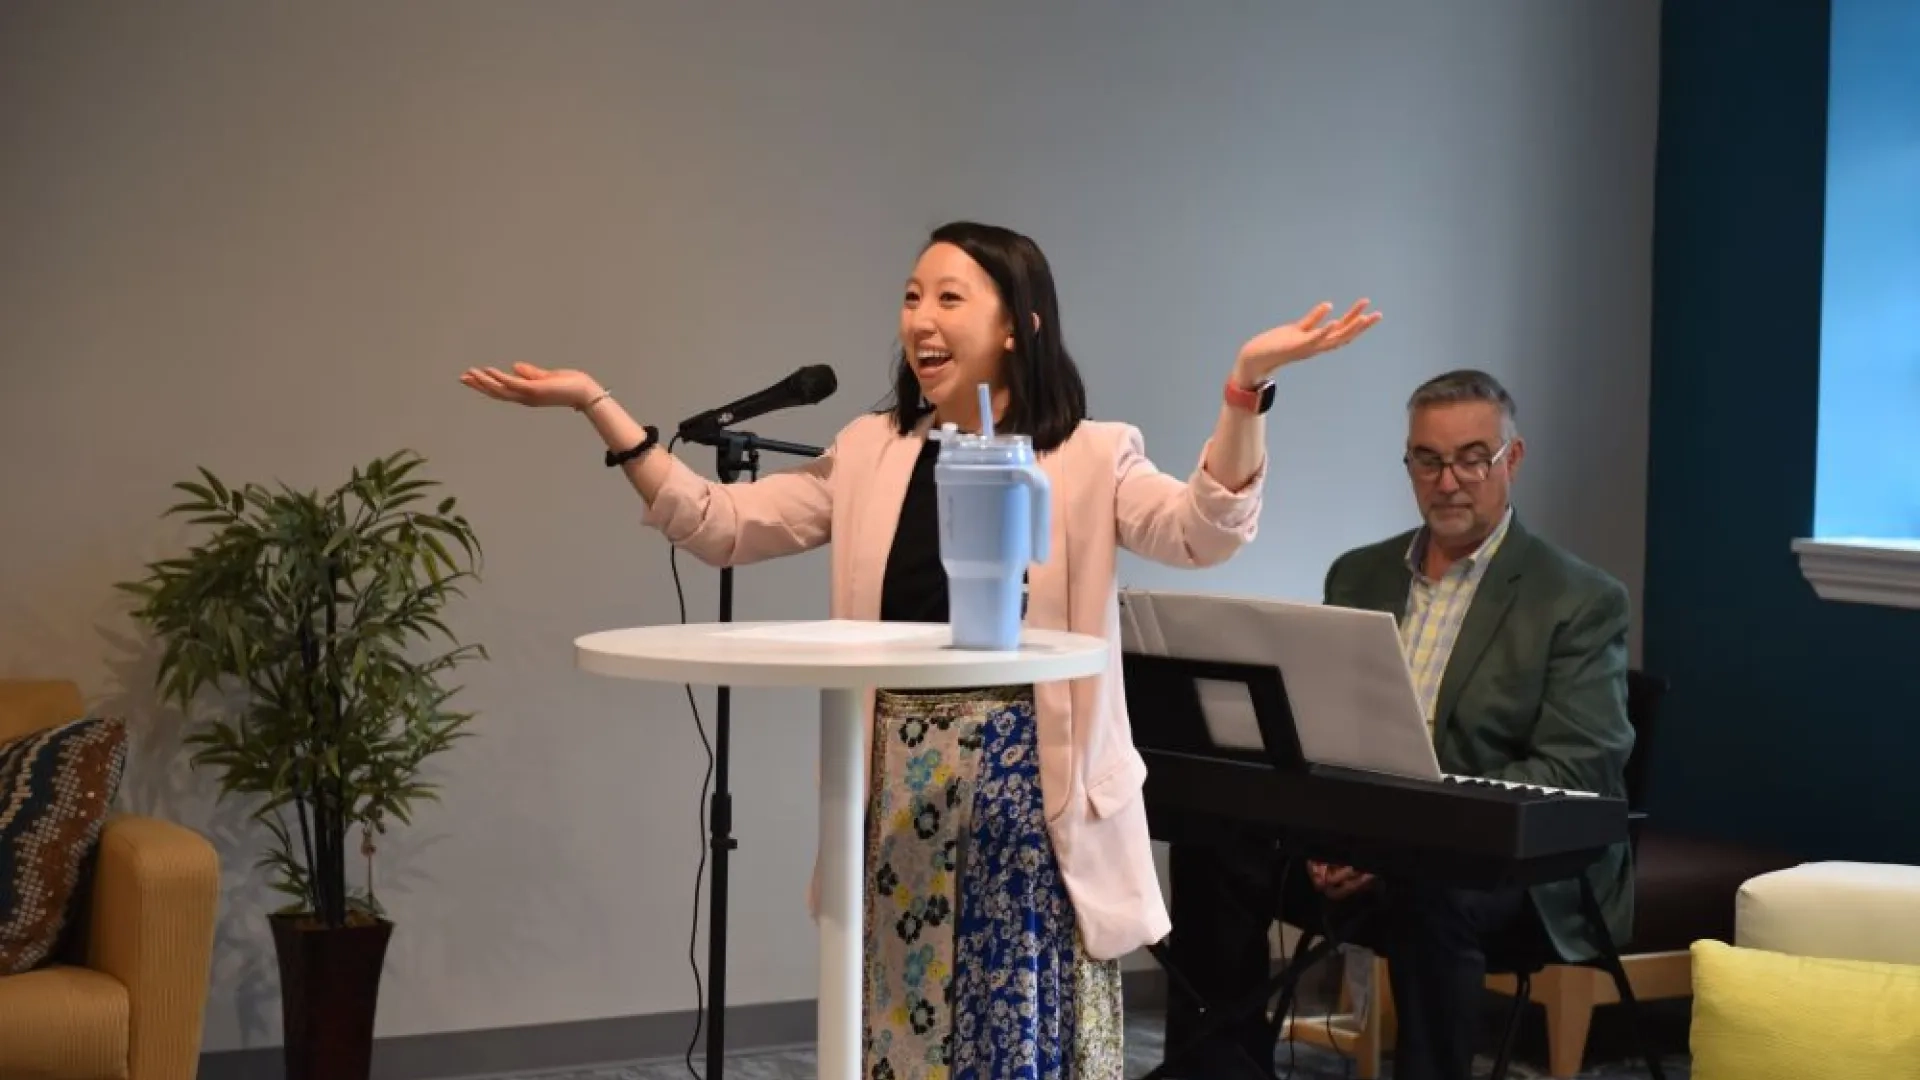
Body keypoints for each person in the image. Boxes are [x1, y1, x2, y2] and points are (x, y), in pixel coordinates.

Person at [461, 220, 1381, 1080]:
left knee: (1017, 1029)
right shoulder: (872, 450)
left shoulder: (1091, 454)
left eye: (949, 298)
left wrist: (1245, 390)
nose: (920, 320)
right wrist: (601, 409)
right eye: (911, 297)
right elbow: (720, 524)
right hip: (898, 783)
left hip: (1031, 789)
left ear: (1018, 325)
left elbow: (1201, 531)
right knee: (903, 1025)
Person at [1163, 368, 1635, 1080]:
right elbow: (1318, 733)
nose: (1449, 480)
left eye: (1473, 457)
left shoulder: (1578, 599)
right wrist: (1328, 830)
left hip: (1507, 868)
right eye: (1428, 459)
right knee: (1213, 848)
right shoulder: (1359, 575)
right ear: (1409, 462)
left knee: (1432, 893)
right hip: (1365, 845)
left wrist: (1398, 837)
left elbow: (1574, 771)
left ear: (1512, 458)